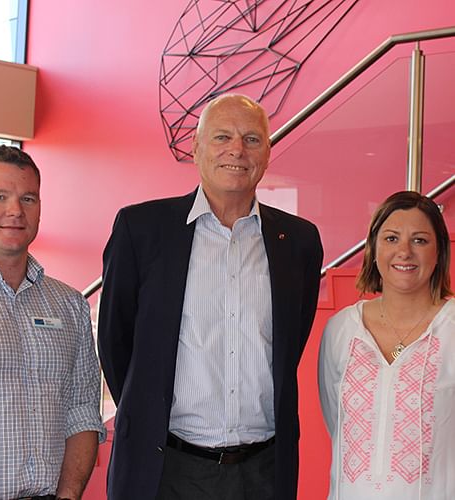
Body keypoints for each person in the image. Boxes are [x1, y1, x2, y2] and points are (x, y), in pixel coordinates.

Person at [98, 94, 323, 500]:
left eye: (252, 139)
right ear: (197, 149)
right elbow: (116, 342)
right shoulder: (141, 228)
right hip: (166, 467)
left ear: (268, 153)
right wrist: (147, 410)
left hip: (264, 472)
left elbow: (291, 342)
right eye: (222, 137)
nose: (237, 150)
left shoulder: (300, 241)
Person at [0, 145, 106, 500]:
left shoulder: (70, 304)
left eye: (28, 198)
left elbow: (83, 411)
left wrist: (67, 496)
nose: (15, 211)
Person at [318, 191, 454, 499]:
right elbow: (336, 423)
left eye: (419, 240)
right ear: (374, 249)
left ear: (439, 251)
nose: (404, 251)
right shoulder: (341, 330)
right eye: (391, 239)